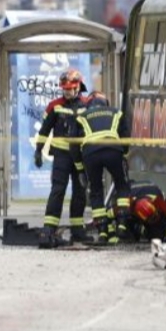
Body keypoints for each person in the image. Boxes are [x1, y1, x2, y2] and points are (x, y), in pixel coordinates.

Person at [34, 68, 89, 248]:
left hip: (80, 156)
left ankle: (77, 229)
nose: (66, 91)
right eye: (64, 88)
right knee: (58, 190)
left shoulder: (87, 105)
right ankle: (49, 228)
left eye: (70, 88)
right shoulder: (55, 105)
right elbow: (44, 130)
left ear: (78, 87)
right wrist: (38, 150)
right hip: (62, 156)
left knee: (80, 192)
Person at [70, 91, 131, 243]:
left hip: (90, 154)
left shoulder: (81, 117)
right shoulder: (117, 112)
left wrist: (80, 170)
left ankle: (103, 232)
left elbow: (74, 146)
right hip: (113, 150)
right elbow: (126, 136)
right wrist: (123, 154)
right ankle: (122, 225)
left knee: (96, 191)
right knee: (121, 184)